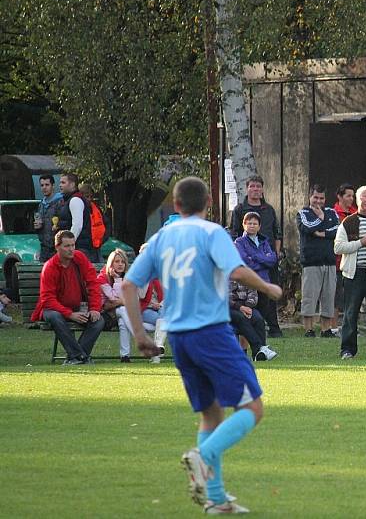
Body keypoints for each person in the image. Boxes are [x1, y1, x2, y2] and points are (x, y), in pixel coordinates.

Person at [121, 177, 283, 514]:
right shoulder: (212, 233)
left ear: (176, 206)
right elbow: (237, 271)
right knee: (253, 409)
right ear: (209, 202)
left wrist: (139, 334)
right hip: (210, 332)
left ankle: (216, 498)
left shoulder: (160, 238)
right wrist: (269, 289)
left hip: (179, 339)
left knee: (211, 415)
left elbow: (128, 285)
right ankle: (202, 457)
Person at [31, 230, 105, 365]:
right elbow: (47, 299)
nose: (71, 249)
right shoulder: (50, 267)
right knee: (54, 316)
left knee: (98, 320)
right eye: (67, 246)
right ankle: (81, 356)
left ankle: (75, 357)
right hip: (53, 309)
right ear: (57, 247)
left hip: (77, 308)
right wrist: (70, 314)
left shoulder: (79, 257)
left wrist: (95, 308)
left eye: (73, 245)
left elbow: (93, 283)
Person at [229, 175, 283, 337]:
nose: (255, 189)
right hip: (247, 262)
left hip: (268, 259)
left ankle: (274, 327)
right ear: (247, 188)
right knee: (250, 297)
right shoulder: (239, 209)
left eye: (258, 186)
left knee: (269, 294)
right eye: (252, 186)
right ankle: (250, 328)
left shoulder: (269, 209)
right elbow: (234, 233)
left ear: (262, 189)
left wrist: (275, 254)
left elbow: (277, 232)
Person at [334, 185, 366, 359]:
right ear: (357, 200)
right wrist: (360, 243)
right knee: (350, 313)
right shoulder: (349, 222)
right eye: (363, 198)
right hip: (355, 274)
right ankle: (347, 350)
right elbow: (338, 248)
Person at [296, 184, 340, 338]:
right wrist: (321, 219)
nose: (318, 201)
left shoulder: (332, 212)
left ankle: (326, 329)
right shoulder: (303, 213)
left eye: (321, 198)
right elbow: (307, 228)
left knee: (328, 297)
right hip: (311, 261)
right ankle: (309, 329)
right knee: (309, 296)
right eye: (315, 197)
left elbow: (337, 230)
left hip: (329, 260)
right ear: (310, 196)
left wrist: (323, 233)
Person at [234, 211, 279, 340]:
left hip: (264, 283)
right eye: (249, 223)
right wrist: (262, 259)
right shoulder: (240, 242)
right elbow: (245, 262)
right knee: (247, 317)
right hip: (248, 285)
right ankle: (245, 349)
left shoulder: (264, 241)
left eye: (255, 223)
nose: (252, 226)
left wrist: (255, 256)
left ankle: (261, 347)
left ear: (259, 226)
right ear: (244, 225)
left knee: (261, 318)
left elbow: (272, 260)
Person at [97, 248, 148, 363]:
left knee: (123, 321)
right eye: (117, 261)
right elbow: (114, 298)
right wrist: (117, 280)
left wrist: (122, 300)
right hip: (105, 315)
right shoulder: (102, 279)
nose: (120, 264)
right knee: (123, 309)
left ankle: (125, 356)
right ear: (111, 264)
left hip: (119, 313)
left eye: (123, 262)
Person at [229, 278, 278, 361]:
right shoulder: (224, 275)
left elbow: (253, 295)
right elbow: (224, 298)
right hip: (229, 308)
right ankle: (260, 348)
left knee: (258, 319)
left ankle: (258, 354)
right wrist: (240, 307)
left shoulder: (247, 275)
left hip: (246, 306)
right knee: (241, 318)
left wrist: (247, 307)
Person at [55, 173, 100, 262]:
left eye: (63, 183)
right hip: (78, 246)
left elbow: (77, 226)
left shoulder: (75, 200)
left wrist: (68, 245)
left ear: (72, 184)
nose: (60, 185)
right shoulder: (70, 200)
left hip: (80, 248)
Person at [332, 184, 357, 333]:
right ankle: (334, 326)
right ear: (340, 197)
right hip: (337, 261)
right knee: (336, 295)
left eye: (353, 196)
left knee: (351, 296)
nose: (351, 199)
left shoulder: (356, 213)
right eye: (348, 195)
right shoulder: (334, 213)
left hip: (353, 260)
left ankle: (350, 326)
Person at [35, 174, 64, 262]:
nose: (44, 187)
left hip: (57, 247)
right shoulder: (41, 204)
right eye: (42, 185)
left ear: (53, 186)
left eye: (47, 185)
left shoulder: (60, 201)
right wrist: (38, 227)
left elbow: (65, 222)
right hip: (44, 248)